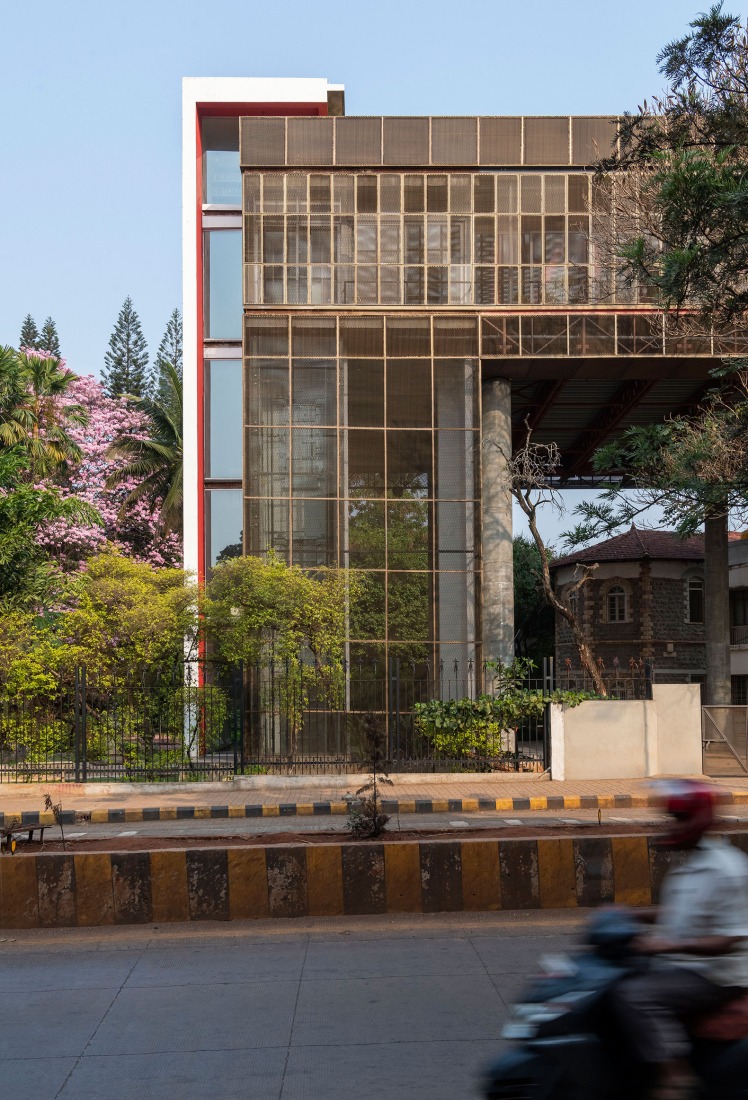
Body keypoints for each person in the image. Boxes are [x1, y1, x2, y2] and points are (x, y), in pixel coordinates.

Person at [613, 781, 748, 1099]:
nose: (673, 826)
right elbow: (678, 913)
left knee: (635, 996)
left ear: (698, 819)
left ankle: (676, 1076)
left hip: (716, 975)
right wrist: (628, 915)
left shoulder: (726, 870)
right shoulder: (692, 865)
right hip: (681, 966)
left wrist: (666, 945)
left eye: (679, 819)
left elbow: (730, 939)